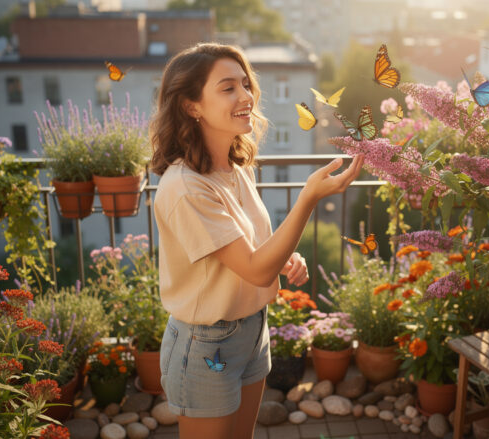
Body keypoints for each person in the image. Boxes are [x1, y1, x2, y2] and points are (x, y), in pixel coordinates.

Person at [149, 43, 364, 439]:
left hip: (252, 330)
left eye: (245, 84)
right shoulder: (185, 187)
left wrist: (284, 259)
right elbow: (254, 268)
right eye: (228, 87)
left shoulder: (235, 168)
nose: (246, 96)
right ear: (191, 106)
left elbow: (248, 254)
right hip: (206, 344)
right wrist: (309, 197)